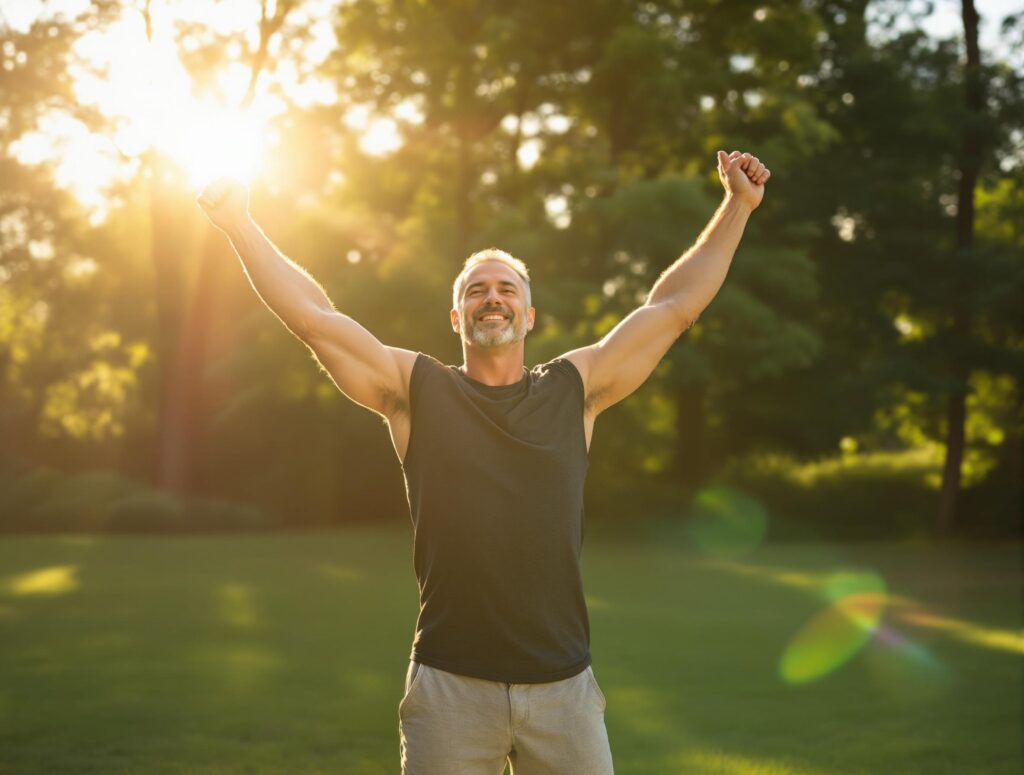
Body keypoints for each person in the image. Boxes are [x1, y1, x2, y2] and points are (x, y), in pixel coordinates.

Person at [198, 150, 770, 774]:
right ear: (457, 316)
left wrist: (736, 206)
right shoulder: (415, 391)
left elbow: (673, 308)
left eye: (506, 289)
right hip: (449, 689)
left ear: (528, 315)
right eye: (476, 290)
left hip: (563, 690)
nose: (490, 297)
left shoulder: (574, 389)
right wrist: (240, 225)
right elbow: (317, 320)